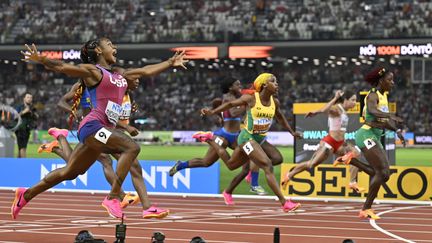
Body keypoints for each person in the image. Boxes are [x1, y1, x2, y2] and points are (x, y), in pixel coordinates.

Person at [11, 39, 187, 220]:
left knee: (70, 172)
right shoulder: (93, 71)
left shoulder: (120, 74)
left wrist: (169, 62)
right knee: (132, 147)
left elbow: (144, 71)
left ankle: (26, 195)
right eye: (110, 45)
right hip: (92, 127)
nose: (115, 48)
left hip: (101, 131)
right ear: (98, 50)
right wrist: (41, 59)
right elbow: (62, 66)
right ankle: (113, 198)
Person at [197, 73, 302, 212]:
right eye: (273, 81)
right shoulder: (251, 98)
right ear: (264, 84)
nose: (277, 84)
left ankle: (210, 138)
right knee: (267, 165)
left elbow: (281, 118)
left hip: (260, 139)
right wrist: (212, 112)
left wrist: (292, 132)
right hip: (247, 137)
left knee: (233, 164)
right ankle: (285, 203)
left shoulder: (275, 102)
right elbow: (230, 104)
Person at [168, 78, 265, 205]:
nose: (240, 86)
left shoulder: (240, 97)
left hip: (236, 136)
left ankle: (229, 191)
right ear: (230, 87)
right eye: (237, 84)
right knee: (206, 162)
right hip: (224, 135)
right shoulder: (227, 98)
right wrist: (249, 105)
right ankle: (182, 165)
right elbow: (233, 112)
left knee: (248, 161)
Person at [334, 67, 405, 220]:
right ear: (381, 81)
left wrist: (396, 130)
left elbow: (384, 122)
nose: (392, 83)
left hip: (374, 136)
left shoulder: (384, 97)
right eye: (389, 80)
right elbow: (372, 111)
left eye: (393, 80)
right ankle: (366, 208)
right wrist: (390, 115)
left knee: (381, 175)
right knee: (383, 172)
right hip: (366, 134)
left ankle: (351, 160)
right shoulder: (372, 95)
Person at [281, 90, 367, 193]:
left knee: (356, 153)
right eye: (352, 100)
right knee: (311, 164)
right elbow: (325, 110)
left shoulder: (344, 111)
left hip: (340, 144)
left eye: (355, 100)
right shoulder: (337, 109)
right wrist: (334, 99)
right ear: (345, 100)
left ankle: (352, 182)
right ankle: (288, 175)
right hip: (329, 142)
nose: (354, 103)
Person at [15, 93, 38, 158]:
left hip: (27, 129)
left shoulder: (32, 108)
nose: (29, 99)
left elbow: (36, 117)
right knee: (23, 147)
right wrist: (24, 112)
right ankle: (24, 164)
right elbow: (15, 117)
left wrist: (33, 114)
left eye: (31, 98)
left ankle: (18, 163)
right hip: (20, 129)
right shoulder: (19, 107)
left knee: (21, 147)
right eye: (28, 97)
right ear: (24, 99)